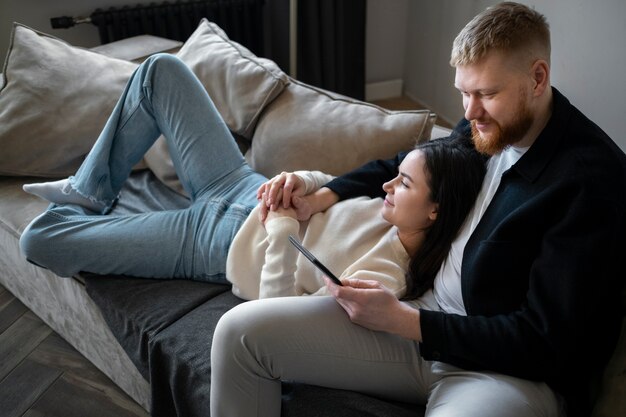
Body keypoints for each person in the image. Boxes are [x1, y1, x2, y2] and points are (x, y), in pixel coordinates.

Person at [210, 2, 626, 417]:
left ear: (538, 78)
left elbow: (545, 344)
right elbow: (404, 165)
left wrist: (405, 322)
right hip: (421, 319)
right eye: (464, 92)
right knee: (239, 332)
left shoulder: (589, 181)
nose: (469, 112)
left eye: (486, 94)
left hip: (506, 374)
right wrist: (322, 194)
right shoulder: (486, 126)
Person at [18, 52, 485, 302]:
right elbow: (334, 184)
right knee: (162, 70)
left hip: (211, 243)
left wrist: (281, 235)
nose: (386, 183)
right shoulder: (390, 204)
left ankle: (87, 202)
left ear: (434, 210)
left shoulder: (385, 277)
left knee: (39, 240)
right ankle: (90, 190)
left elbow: (277, 320)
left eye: (402, 182)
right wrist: (303, 182)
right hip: (238, 183)